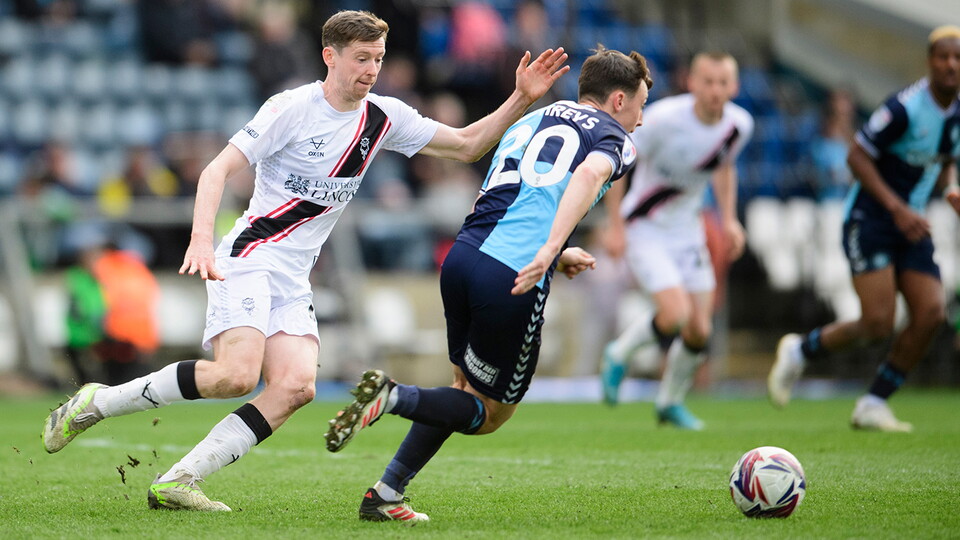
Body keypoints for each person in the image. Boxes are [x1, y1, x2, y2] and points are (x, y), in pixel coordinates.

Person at [42, 10, 569, 511]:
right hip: (249, 255)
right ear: (330, 57)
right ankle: (98, 402)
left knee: (296, 387)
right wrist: (201, 239)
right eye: (361, 58)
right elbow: (214, 172)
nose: (371, 70)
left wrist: (520, 97)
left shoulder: (384, 117)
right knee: (234, 375)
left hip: (293, 275)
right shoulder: (290, 108)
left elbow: (468, 144)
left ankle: (181, 479)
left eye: (378, 58)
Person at [323, 45, 653, 523]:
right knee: (489, 415)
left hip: (463, 258)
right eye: (640, 106)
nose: (640, 120)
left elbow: (513, 201)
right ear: (619, 100)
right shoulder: (616, 138)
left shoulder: (529, 120)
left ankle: (386, 494)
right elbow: (588, 173)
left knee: (461, 388)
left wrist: (555, 253)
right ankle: (391, 397)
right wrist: (548, 249)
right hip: (512, 276)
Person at [768, 26, 960, 432]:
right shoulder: (905, 108)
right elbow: (857, 156)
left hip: (911, 224)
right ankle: (801, 350)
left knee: (930, 313)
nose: (950, 65)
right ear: (930, 62)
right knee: (877, 323)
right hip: (871, 219)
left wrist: (953, 188)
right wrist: (897, 208)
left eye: (957, 58)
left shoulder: (956, 112)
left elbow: (944, 159)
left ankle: (873, 403)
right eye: (943, 57)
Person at [598, 52, 754, 430]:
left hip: (689, 231)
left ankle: (669, 402)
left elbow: (724, 167)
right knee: (674, 314)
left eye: (723, 83)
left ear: (733, 87)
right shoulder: (663, 120)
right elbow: (617, 166)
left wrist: (730, 220)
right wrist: (614, 225)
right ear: (692, 83)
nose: (715, 90)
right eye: (708, 81)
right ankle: (619, 353)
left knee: (700, 329)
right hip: (646, 227)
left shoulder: (739, 125)